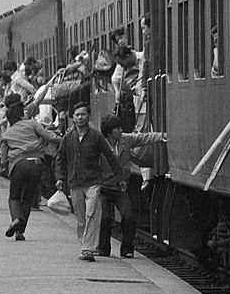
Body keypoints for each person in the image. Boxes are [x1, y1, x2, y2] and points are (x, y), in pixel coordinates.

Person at [54, 102, 120, 262]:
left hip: (93, 182)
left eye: (83, 114)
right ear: (73, 118)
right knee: (81, 217)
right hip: (75, 183)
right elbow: (60, 158)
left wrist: (120, 176)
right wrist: (60, 178)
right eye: (77, 115)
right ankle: (86, 244)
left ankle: (88, 249)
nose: (80, 117)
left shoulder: (96, 137)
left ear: (88, 116)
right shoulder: (68, 137)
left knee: (92, 214)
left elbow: (109, 156)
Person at [97, 115, 166, 258]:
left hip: (120, 188)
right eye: (118, 128)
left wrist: (160, 136)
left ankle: (127, 249)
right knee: (104, 219)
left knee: (129, 216)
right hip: (102, 188)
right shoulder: (99, 144)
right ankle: (103, 249)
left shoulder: (125, 140)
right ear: (109, 132)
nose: (121, 130)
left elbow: (142, 138)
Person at [0, 103, 61, 240]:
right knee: (27, 198)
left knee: (14, 197)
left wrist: (3, 165)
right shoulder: (32, 123)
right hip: (37, 163)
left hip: (19, 164)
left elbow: (3, 156)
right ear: (21, 115)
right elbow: (49, 136)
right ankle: (20, 232)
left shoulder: (6, 134)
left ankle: (17, 219)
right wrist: (65, 141)